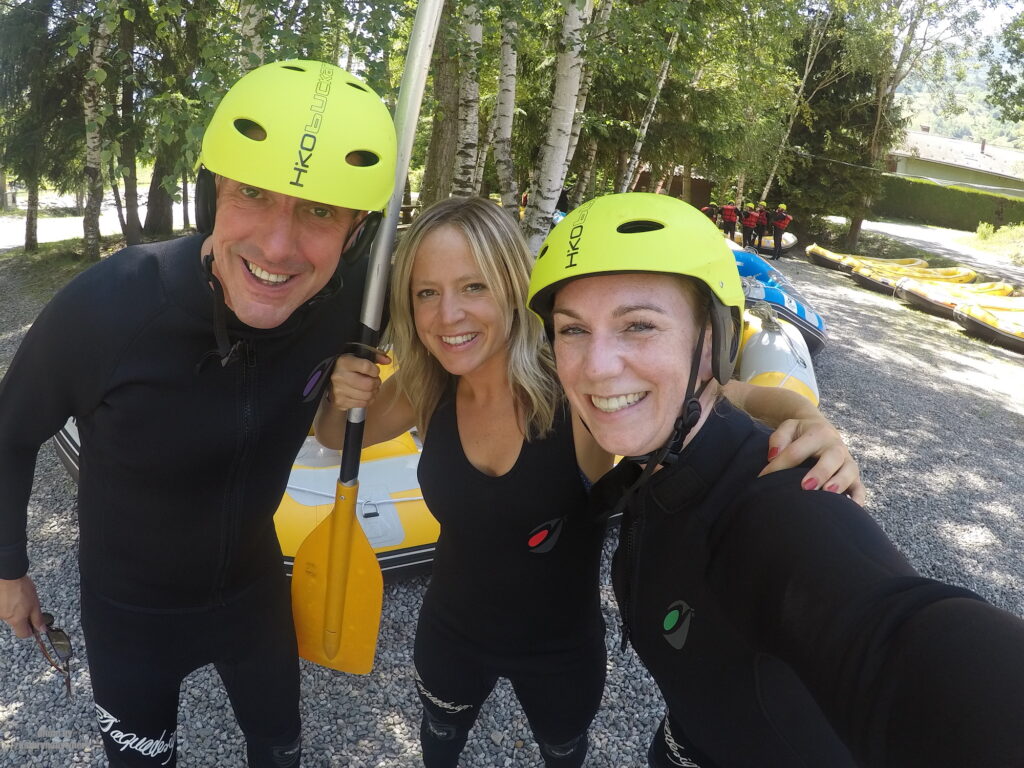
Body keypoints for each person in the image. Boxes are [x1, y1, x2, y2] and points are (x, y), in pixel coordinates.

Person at [315, 196, 864, 768]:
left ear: (512, 287)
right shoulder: (425, 388)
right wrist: (341, 399)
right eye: (427, 292)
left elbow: (729, 398)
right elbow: (336, 436)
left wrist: (811, 420)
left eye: (473, 287)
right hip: (450, 631)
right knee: (439, 743)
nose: (447, 314)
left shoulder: (582, 393)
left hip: (560, 649)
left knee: (562, 754)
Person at [527, 192, 1024, 768]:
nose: (596, 366)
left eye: (638, 325)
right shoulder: (662, 449)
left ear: (711, 342)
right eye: (572, 331)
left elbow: (898, 638)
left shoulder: (781, 502)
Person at [0, 59, 397, 767]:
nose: (279, 246)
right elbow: (8, 435)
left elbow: (471, 307)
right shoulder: (110, 305)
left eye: (319, 211)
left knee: (279, 752)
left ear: (356, 231)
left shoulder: (354, 299)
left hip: (253, 594)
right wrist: (9, 571)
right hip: (130, 619)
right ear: (215, 193)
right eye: (254, 193)